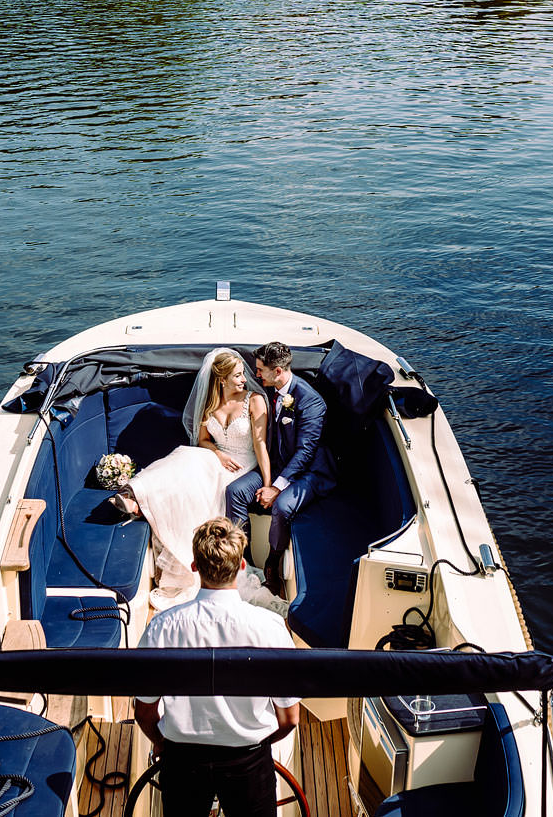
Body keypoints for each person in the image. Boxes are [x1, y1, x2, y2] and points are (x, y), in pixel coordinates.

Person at [135, 518, 301, 817]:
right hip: (248, 763)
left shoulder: (162, 627)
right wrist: (260, 747)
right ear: (240, 567)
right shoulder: (271, 628)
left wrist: (162, 745)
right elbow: (289, 718)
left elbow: (145, 712)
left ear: (194, 567)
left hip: (182, 761)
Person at [111, 349, 272, 605]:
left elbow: (261, 445)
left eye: (244, 374)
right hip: (218, 459)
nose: (245, 379)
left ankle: (138, 501)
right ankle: (135, 496)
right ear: (222, 379)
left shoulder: (254, 400)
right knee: (186, 455)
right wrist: (218, 455)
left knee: (192, 466)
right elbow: (203, 441)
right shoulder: (211, 402)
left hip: (244, 464)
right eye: (238, 375)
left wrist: (267, 485)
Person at [224, 341, 334, 596]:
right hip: (277, 465)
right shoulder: (269, 391)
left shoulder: (311, 402)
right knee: (235, 492)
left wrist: (274, 487)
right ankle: (244, 561)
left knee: (283, 506)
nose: (256, 374)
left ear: (278, 372)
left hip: (309, 472)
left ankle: (272, 565)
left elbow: (306, 453)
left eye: (261, 370)